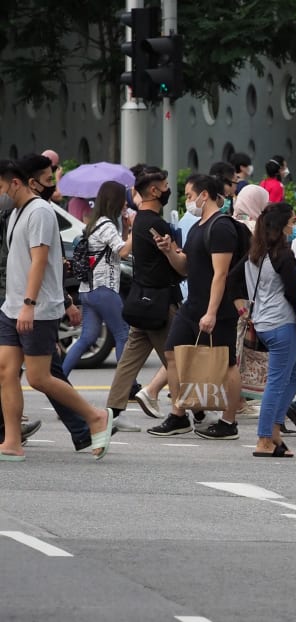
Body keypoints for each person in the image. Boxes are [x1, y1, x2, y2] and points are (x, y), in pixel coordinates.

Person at [0, 157, 113, 461]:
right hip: (11, 306)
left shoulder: (39, 211)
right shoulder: (16, 213)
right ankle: (12, 441)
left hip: (35, 309)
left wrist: (29, 304)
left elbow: (40, 262)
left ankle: (95, 416)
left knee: (38, 378)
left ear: (15, 183)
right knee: (5, 372)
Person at [147, 174, 242, 440]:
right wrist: (169, 251)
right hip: (192, 305)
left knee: (226, 363)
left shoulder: (221, 227)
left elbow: (221, 274)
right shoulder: (198, 227)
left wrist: (211, 312)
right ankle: (179, 415)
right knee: (172, 353)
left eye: (190, 195)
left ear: (204, 195)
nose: (188, 201)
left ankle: (229, 421)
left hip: (217, 308)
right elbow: (186, 267)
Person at [106, 167, 185, 426]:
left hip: (142, 300)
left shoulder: (139, 219)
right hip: (161, 303)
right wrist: (180, 256)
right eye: (165, 186)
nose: (167, 190)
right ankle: (189, 413)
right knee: (176, 360)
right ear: (154, 191)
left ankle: (112, 413)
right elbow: (180, 266)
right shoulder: (157, 224)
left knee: (130, 360)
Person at [235, 202, 296, 457]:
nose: (294, 224)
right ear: (281, 225)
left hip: (263, 322)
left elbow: (232, 280)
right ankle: (265, 438)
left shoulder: (255, 253)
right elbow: (292, 292)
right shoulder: (283, 255)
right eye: (291, 220)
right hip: (281, 323)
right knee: (276, 383)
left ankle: (274, 430)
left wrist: (243, 309)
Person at [61, 181, 132, 382]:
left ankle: (61, 380)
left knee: (87, 338)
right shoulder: (106, 225)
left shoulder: (95, 224)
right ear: (115, 201)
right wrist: (135, 232)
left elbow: (118, 250)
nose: (126, 204)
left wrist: (126, 230)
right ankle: (128, 385)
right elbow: (123, 251)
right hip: (104, 290)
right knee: (122, 335)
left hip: (88, 290)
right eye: (124, 200)